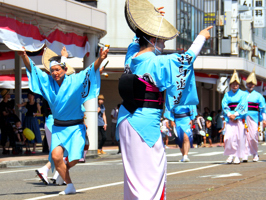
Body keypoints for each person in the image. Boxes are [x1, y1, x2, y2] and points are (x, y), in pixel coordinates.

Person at [116, 1, 212, 199]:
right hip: (144, 123)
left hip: (126, 120)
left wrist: (150, 22)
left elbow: (135, 42)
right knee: (152, 175)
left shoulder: (131, 57)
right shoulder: (158, 62)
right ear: (152, 39)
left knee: (134, 177)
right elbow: (187, 58)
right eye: (161, 40)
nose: (164, 44)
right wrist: (201, 38)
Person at [18, 45, 108, 195]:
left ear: (65, 70)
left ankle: (63, 170)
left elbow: (90, 70)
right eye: (52, 70)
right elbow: (33, 69)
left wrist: (100, 59)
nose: (55, 73)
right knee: (55, 156)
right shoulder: (48, 83)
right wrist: (23, 56)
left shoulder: (75, 80)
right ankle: (70, 185)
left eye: (58, 70)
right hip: (58, 127)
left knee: (75, 158)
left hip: (76, 127)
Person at [222, 69, 248, 164]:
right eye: (233, 84)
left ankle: (237, 156)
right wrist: (229, 114)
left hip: (238, 118)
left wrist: (236, 114)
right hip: (230, 119)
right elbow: (224, 105)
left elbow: (243, 105)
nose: (235, 85)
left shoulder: (243, 94)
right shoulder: (227, 94)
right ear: (230, 84)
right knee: (228, 137)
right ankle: (231, 154)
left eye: (236, 84)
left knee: (238, 137)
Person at [243, 68, 266, 162]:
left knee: (253, 136)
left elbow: (263, 109)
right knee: (244, 136)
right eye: (249, 83)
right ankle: (245, 154)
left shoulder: (258, 96)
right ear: (246, 84)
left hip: (254, 117)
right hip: (243, 117)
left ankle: (254, 153)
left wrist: (263, 119)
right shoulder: (242, 94)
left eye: (252, 84)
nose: (250, 85)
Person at [0, 89, 19, 154]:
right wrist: (9, 112)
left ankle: (13, 148)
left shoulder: (10, 103)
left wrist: (12, 113)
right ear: (5, 96)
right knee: (4, 135)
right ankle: (4, 149)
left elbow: (13, 111)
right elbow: (4, 113)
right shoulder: (2, 104)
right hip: (4, 122)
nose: (9, 95)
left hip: (10, 122)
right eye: (8, 94)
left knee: (12, 135)